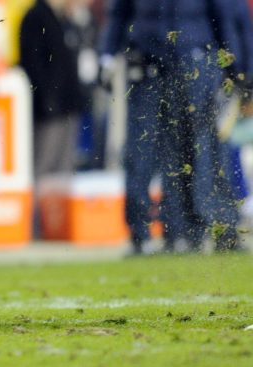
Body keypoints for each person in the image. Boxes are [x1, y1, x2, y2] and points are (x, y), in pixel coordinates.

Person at [99, 0, 251, 253]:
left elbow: (224, 15)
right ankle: (161, 232)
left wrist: (237, 67)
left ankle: (210, 228)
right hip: (150, 63)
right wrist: (106, 55)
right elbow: (119, 14)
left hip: (194, 62)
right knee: (151, 151)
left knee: (202, 151)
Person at [18, 0, 85, 238]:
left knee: (64, 167)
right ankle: (34, 227)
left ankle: (58, 226)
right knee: (44, 166)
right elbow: (32, 64)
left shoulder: (64, 19)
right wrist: (46, 99)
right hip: (48, 109)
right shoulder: (36, 17)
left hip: (68, 105)